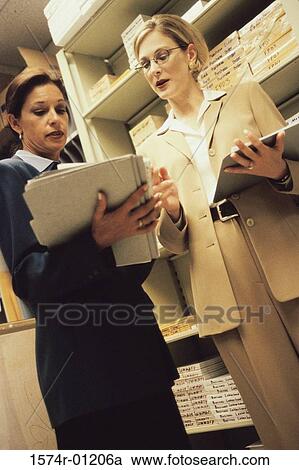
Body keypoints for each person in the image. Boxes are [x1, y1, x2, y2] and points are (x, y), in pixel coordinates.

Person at [0, 68, 190, 450]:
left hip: (138, 356)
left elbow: (130, 275)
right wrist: (98, 239)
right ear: (13, 121)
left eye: (61, 109)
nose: (55, 119)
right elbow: (29, 280)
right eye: (40, 111)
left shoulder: (87, 173)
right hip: (83, 373)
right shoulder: (9, 175)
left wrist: (140, 229)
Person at [134, 14, 299, 450]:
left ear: (189, 54)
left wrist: (280, 171)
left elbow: (295, 169)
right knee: (281, 413)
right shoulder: (151, 148)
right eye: (144, 64)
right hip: (220, 282)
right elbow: (172, 244)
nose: (153, 70)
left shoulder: (244, 97)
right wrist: (171, 214)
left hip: (284, 254)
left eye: (161, 56)